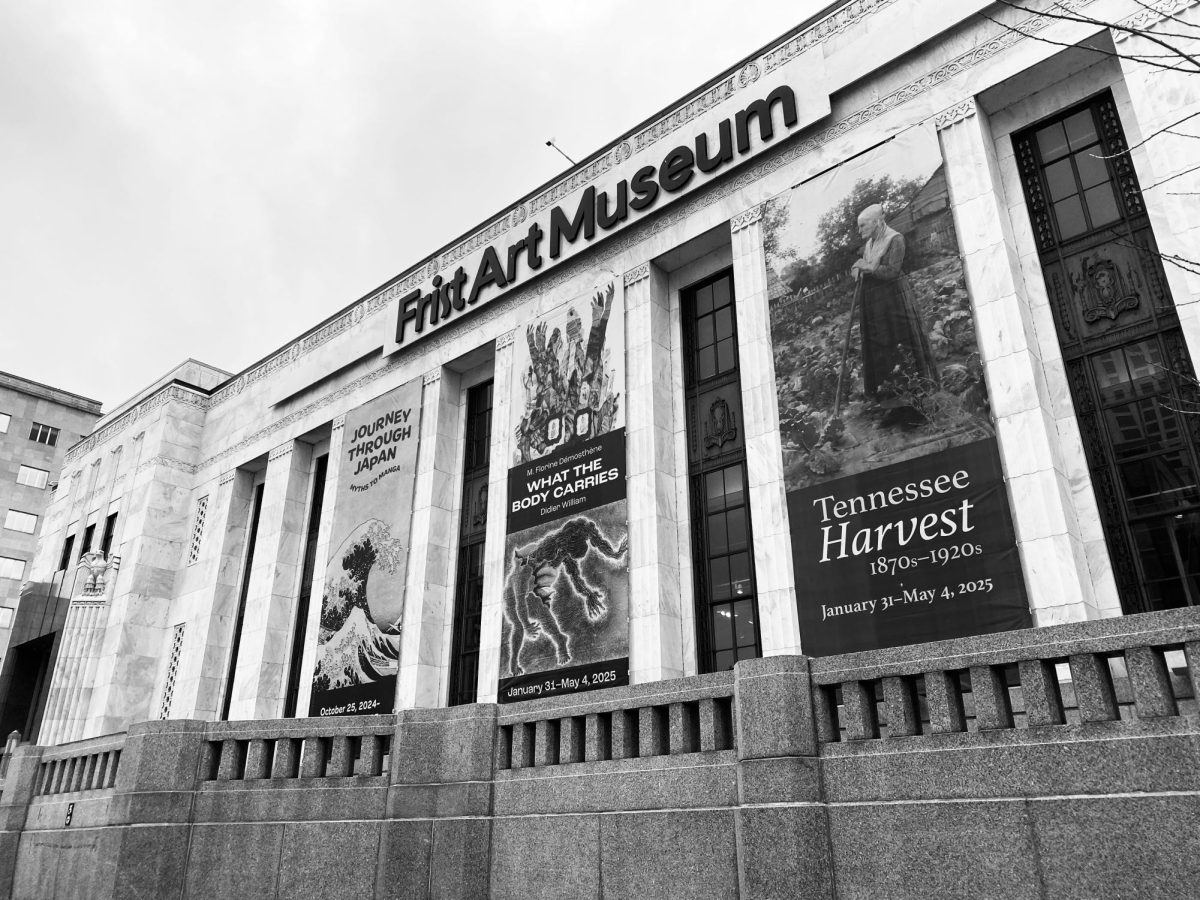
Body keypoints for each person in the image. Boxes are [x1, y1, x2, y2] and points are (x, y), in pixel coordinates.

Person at [850, 204, 938, 423]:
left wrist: (867, 268)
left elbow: (892, 271)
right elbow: (863, 264)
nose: (860, 231)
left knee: (902, 346)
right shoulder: (870, 243)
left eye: (863, 226)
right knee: (882, 349)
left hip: (895, 302)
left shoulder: (895, 239)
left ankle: (915, 407)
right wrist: (857, 268)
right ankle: (893, 405)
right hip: (876, 305)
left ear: (877, 221)